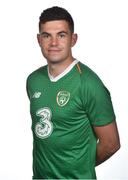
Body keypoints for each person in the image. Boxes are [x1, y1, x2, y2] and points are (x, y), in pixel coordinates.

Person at [26, 6, 120, 179]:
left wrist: (79, 166)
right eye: (47, 36)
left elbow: (111, 144)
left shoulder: (89, 84)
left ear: (73, 39)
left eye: (61, 35)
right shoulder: (33, 80)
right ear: (39, 40)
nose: (53, 43)